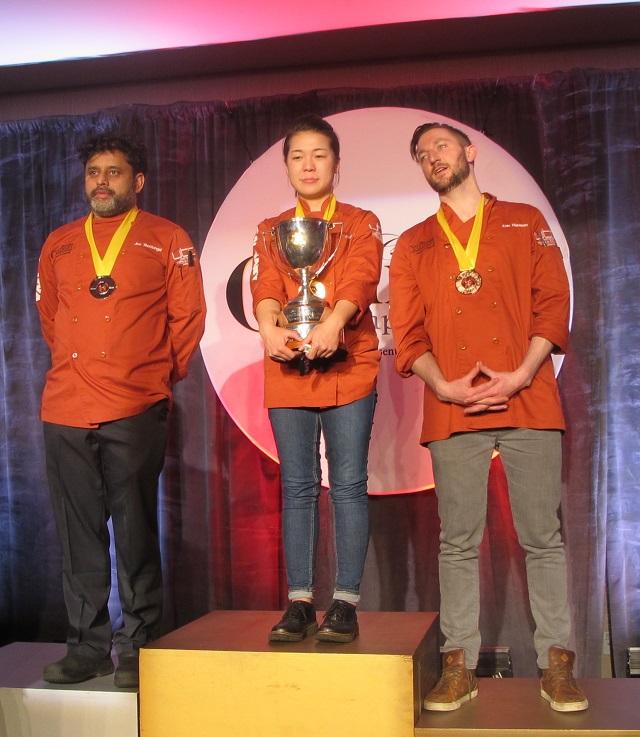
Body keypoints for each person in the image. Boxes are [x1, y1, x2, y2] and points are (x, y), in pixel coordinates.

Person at [389, 122, 588, 712]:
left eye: (441, 146)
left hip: (527, 396)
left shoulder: (524, 220)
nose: (432, 156)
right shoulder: (414, 243)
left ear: (470, 152)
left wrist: (522, 373)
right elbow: (407, 332)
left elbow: (553, 304)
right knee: (457, 542)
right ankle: (459, 667)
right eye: (421, 153)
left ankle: (557, 665)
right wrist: (443, 385)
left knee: (542, 537)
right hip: (454, 404)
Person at [36, 132, 206, 688]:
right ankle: (87, 648)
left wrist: (152, 375)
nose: (101, 182)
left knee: (134, 530)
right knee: (78, 532)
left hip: (135, 403)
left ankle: (139, 646)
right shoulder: (59, 243)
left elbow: (187, 318)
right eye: (94, 173)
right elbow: (50, 319)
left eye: (113, 172)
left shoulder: (167, 238)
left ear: (138, 181)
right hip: (66, 406)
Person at [250, 114, 383, 643]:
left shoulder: (360, 221)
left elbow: (362, 277)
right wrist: (268, 327)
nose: (308, 166)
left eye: (319, 155)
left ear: (336, 163)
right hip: (290, 365)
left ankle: (345, 602)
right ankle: (300, 601)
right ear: (286, 166)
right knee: (298, 486)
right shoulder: (270, 228)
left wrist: (333, 323)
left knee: (347, 483)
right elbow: (265, 284)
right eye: (297, 156)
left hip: (348, 362)